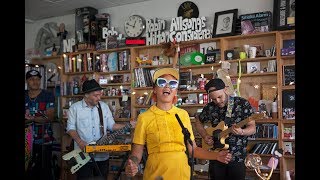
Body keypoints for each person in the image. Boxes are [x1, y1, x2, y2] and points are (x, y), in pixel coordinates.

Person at [125, 68, 232, 179]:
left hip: (181, 174)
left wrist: (216, 156)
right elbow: (136, 153)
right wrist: (133, 164)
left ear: (176, 91)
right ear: (155, 90)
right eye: (161, 82)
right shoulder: (144, 117)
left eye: (172, 84)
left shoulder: (183, 115)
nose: (167, 87)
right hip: (156, 175)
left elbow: (193, 150)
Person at [66, 79, 135, 180]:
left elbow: (112, 126)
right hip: (82, 157)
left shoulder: (104, 107)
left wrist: (129, 125)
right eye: (95, 95)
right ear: (86, 95)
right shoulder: (74, 108)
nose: (99, 98)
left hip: (102, 156)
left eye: (100, 94)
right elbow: (70, 128)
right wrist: (80, 142)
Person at [195, 78, 256, 180]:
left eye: (220, 97)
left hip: (237, 157)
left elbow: (252, 128)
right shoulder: (209, 107)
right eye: (213, 99)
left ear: (226, 90)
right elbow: (198, 122)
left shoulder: (242, 104)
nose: (218, 101)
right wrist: (205, 136)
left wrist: (242, 131)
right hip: (216, 155)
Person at [25, 69, 55, 179]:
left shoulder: (47, 95)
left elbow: (49, 117)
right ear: (27, 81)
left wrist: (31, 118)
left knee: (44, 171)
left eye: (37, 79)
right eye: (32, 79)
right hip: (26, 142)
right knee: (28, 171)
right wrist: (39, 117)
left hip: (44, 140)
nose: (35, 82)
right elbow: (44, 116)